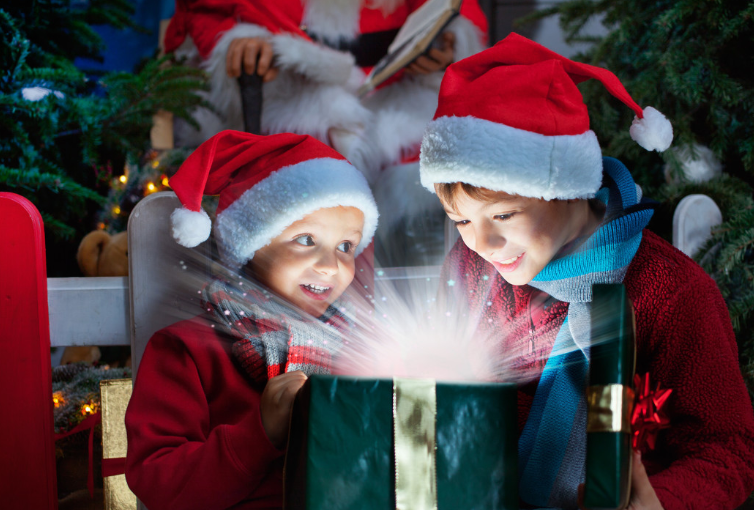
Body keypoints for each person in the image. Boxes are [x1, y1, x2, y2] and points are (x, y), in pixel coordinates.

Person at [419, 34, 754, 510]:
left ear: (568, 188)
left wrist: (664, 500)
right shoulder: (470, 266)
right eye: (461, 221)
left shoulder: (671, 292)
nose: (482, 244)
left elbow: (728, 447)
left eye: (505, 216)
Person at [124, 130, 379, 509]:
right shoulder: (189, 350)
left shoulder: (361, 350)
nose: (330, 266)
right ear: (251, 243)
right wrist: (261, 433)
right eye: (306, 240)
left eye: (346, 246)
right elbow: (158, 480)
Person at [163, 0, 488, 182]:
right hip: (288, 88)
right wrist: (238, 41)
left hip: (397, 93)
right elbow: (209, 13)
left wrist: (447, 44)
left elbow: (450, 10)